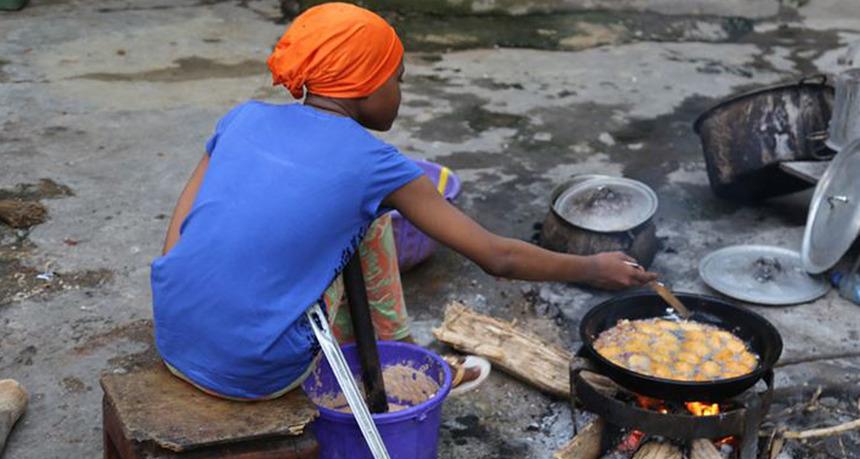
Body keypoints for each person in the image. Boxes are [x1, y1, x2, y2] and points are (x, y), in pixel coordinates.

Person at [150, 2, 657, 401]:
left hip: (173, 335)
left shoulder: (242, 117)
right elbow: (497, 257)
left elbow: (180, 232)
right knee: (371, 223)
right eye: (397, 79)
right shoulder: (375, 161)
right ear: (365, 85)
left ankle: (386, 355)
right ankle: (394, 362)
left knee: (343, 218)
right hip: (259, 371)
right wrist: (592, 267)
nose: (401, 92)